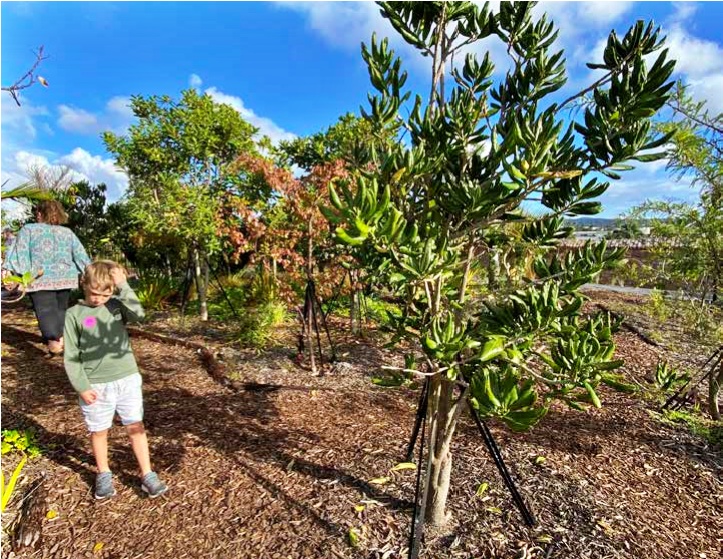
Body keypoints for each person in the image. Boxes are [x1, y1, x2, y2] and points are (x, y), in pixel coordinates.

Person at [63, 260, 168, 500]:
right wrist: (82, 386)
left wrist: (123, 284)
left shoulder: (117, 307)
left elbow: (140, 315)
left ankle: (147, 474)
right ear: (84, 285)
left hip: (127, 378)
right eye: (94, 293)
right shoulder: (74, 314)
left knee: (135, 425)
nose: (99, 298)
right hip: (96, 385)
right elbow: (71, 356)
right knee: (99, 430)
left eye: (105, 293)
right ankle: (103, 473)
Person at [4, 200, 91, 356]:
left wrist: (20, 274)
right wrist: (89, 272)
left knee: (46, 311)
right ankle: (62, 338)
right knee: (60, 310)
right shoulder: (67, 233)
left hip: (39, 277)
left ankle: (55, 342)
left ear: (39, 214)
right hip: (65, 277)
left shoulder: (29, 229)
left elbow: (20, 253)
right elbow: (80, 254)